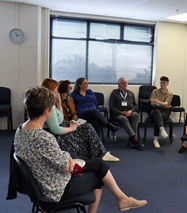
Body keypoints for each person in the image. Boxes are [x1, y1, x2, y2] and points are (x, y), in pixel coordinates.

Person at [14, 85, 147, 213]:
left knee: (97, 164)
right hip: (53, 189)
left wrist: (64, 154)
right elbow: (66, 168)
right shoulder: (44, 137)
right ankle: (122, 199)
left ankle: (122, 199)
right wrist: (67, 156)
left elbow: (47, 156)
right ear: (46, 111)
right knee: (99, 175)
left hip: (39, 182)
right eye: (52, 107)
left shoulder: (21, 130)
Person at [40, 78, 119, 162]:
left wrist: (59, 104)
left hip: (65, 125)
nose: (57, 91)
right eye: (55, 89)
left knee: (90, 125)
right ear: (49, 90)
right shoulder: (49, 106)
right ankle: (101, 152)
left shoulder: (53, 103)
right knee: (88, 126)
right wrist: (71, 128)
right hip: (61, 133)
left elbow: (60, 118)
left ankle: (101, 152)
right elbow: (55, 129)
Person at [109, 77, 143, 150]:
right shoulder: (114, 93)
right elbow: (111, 107)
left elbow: (136, 105)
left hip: (129, 112)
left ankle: (131, 139)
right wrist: (121, 112)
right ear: (118, 84)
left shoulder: (130, 93)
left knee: (136, 115)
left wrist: (131, 111)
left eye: (126, 83)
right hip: (118, 114)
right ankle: (134, 139)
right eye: (123, 83)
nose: (125, 84)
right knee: (124, 118)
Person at [149, 76, 173, 149]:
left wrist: (157, 102)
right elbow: (152, 104)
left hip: (164, 113)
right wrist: (163, 104)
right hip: (154, 111)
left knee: (158, 118)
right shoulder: (155, 91)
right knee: (156, 113)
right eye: (161, 82)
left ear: (167, 84)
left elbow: (166, 104)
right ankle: (162, 130)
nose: (162, 84)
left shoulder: (170, 94)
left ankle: (155, 139)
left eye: (164, 83)